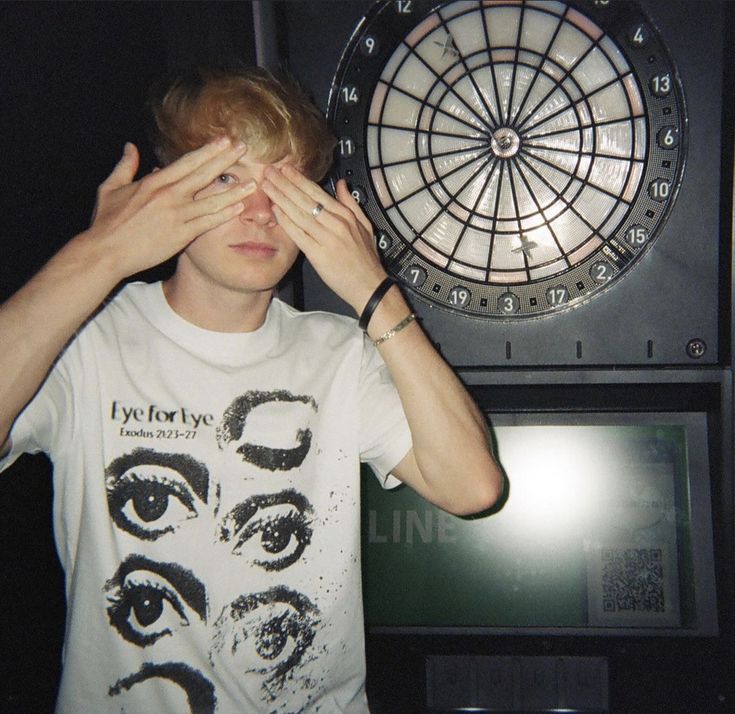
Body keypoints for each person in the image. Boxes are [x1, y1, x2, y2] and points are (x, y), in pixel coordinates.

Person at [0, 65, 502, 713]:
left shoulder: (338, 354)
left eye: (284, 185)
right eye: (228, 179)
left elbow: (472, 488)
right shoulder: (88, 339)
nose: (261, 212)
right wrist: (102, 252)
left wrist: (372, 290)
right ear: (166, 189)